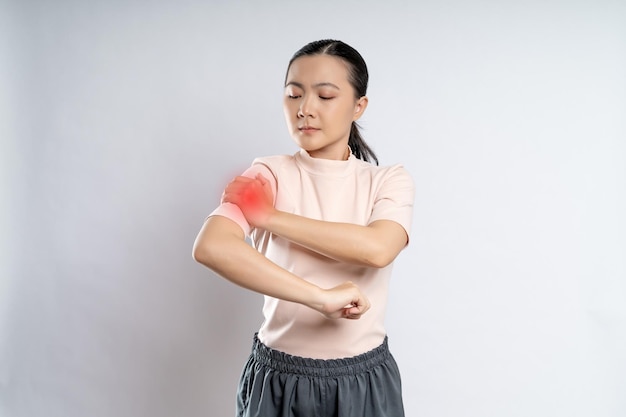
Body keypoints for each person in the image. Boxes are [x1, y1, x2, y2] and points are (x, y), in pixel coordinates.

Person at [193, 39, 415, 417]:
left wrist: (270, 218)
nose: (305, 109)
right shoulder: (268, 173)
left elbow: (378, 248)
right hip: (281, 379)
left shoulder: (388, 180)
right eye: (293, 95)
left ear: (358, 106)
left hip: (364, 379)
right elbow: (211, 246)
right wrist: (318, 297)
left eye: (325, 96)